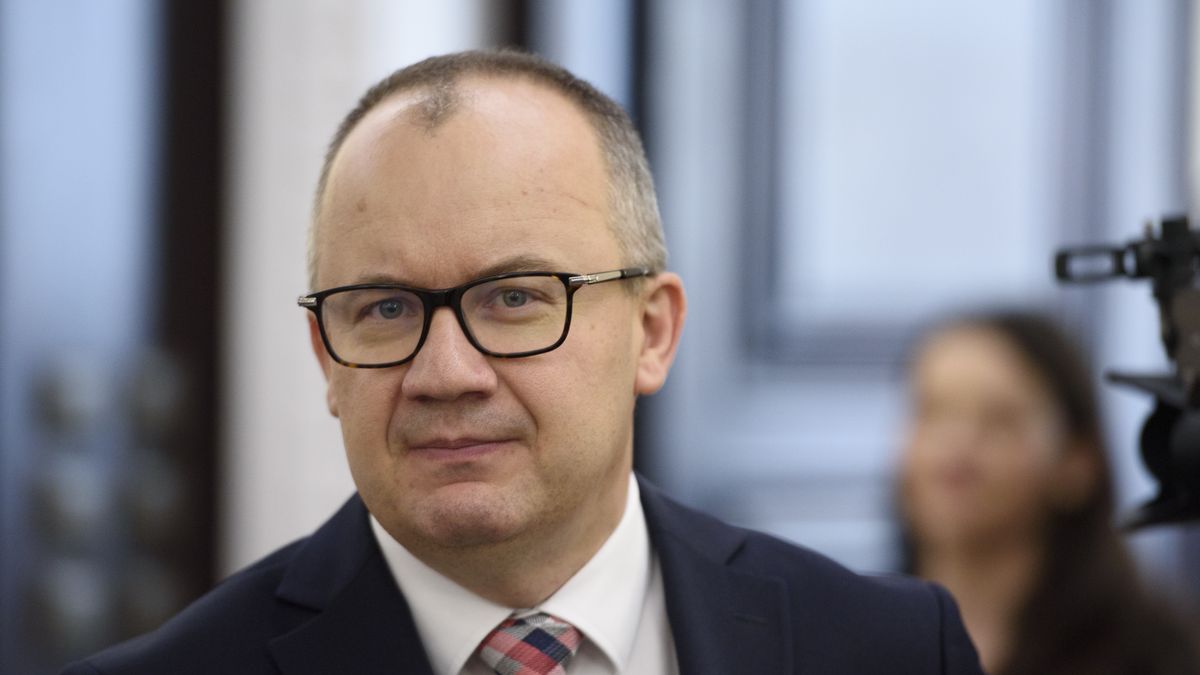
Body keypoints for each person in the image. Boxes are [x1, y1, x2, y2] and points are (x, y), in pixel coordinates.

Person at [65, 49, 982, 674]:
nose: (446, 373)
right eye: (385, 309)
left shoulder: (889, 648)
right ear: (327, 360)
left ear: (652, 332)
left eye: (514, 298)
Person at [898, 310, 1200, 675]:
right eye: (932, 412)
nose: (955, 447)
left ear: (1078, 462)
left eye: (1000, 420)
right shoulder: (857, 636)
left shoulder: (1153, 655)